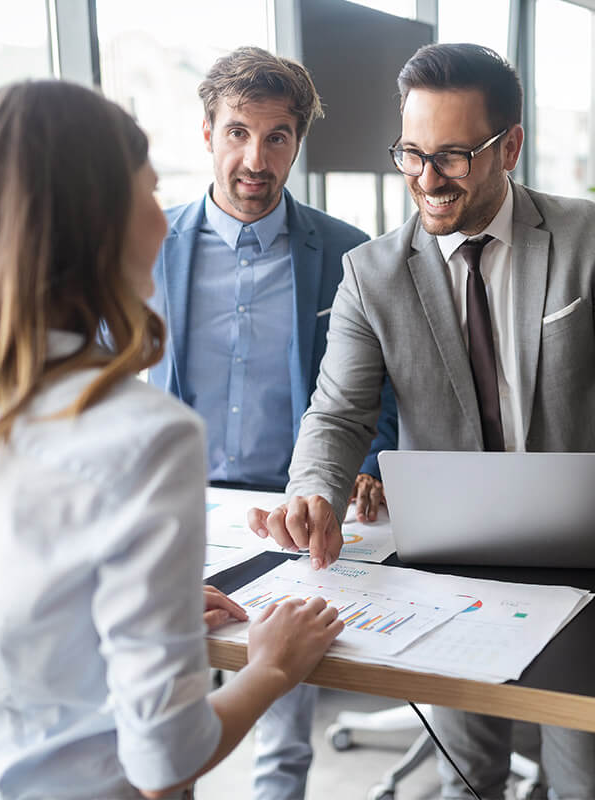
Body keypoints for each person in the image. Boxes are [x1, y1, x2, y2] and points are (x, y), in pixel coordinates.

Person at [250, 43, 595, 800]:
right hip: (449, 560)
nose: (427, 178)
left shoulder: (589, 236)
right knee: (466, 778)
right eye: (411, 153)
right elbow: (339, 410)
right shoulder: (374, 273)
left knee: (585, 781)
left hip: (586, 550)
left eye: (452, 155)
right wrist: (312, 490)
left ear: (509, 146)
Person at [0, 80, 343, 800]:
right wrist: (270, 666)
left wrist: (145, 596)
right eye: (148, 191)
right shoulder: (146, 439)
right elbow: (164, 761)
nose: (163, 218)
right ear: (102, 223)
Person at [147, 47, 398, 800]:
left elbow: (379, 389)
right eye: (237, 133)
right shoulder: (143, 243)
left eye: (277, 137)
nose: (256, 158)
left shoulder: (350, 254)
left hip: (288, 515)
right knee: (163, 710)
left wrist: (371, 465)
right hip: (171, 515)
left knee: (284, 702)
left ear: (297, 141)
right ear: (207, 134)